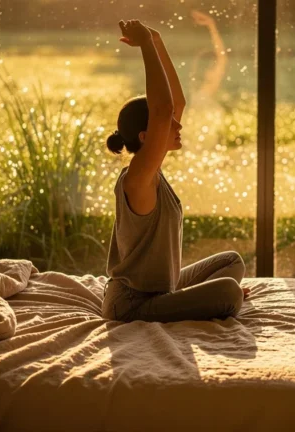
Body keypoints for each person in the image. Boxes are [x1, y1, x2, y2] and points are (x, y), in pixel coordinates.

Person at [102, 20, 250, 323]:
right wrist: (144, 46)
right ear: (146, 136)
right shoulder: (138, 177)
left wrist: (156, 42)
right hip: (131, 303)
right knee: (230, 293)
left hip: (160, 289)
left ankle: (195, 299)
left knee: (232, 262)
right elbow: (162, 108)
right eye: (170, 123)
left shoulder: (152, 167)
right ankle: (206, 299)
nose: (179, 125)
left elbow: (175, 103)